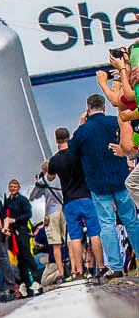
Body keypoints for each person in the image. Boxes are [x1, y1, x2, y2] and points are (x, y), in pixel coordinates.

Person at [69, 91, 136, 277]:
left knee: (107, 224)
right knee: (131, 221)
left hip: (98, 184)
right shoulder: (115, 121)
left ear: (88, 110)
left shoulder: (83, 131)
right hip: (121, 179)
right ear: (104, 108)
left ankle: (115, 266)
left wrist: (81, 125)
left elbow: (72, 152)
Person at [45, 126, 98, 277]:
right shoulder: (78, 154)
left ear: (56, 140)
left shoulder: (54, 160)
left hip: (69, 200)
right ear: (69, 138)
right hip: (86, 196)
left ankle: (79, 270)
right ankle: (98, 266)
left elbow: (49, 178)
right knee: (94, 232)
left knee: (75, 236)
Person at [3, 178, 42, 296]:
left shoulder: (23, 200)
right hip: (13, 233)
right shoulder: (7, 201)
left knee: (27, 255)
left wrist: (15, 220)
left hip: (22, 230)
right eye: (11, 187)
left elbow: (28, 214)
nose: (13, 189)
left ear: (18, 188)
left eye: (15, 186)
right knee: (19, 259)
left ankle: (36, 281)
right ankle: (25, 283)